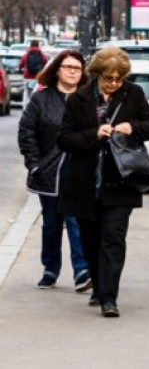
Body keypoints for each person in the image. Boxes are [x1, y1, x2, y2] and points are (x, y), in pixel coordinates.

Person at [57, 46, 149, 318]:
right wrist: (94, 134)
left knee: (113, 238)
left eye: (118, 78)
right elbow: (64, 138)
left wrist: (133, 127)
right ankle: (98, 285)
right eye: (108, 78)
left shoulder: (133, 94)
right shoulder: (79, 98)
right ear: (97, 75)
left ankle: (109, 298)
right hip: (85, 182)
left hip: (121, 180)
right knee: (91, 240)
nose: (114, 83)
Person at [17, 50, 91, 292]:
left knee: (75, 220)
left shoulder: (88, 100)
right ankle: (50, 268)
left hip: (79, 171)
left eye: (77, 68)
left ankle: (82, 270)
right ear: (57, 69)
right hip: (48, 172)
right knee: (51, 222)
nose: (72, 71)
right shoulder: (42, 99)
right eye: (67, 66)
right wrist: (34, 163)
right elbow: (27, 131)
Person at [18, 40, 49, 109]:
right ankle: (35, 107)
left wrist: (21, 70)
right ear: (38, 45)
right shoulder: (41, 54)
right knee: (36, 92)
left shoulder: (27, 54)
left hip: (28, 77)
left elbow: (20, 65)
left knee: (26, 91)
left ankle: (25, 107)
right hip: (37, 78)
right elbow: (47, 63)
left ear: (30, 45)